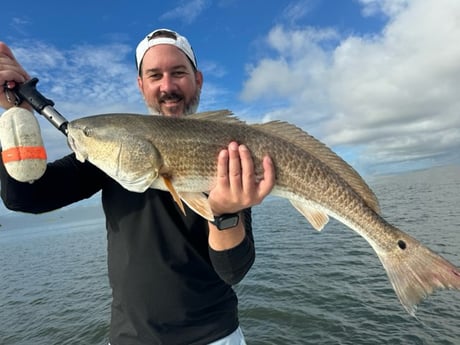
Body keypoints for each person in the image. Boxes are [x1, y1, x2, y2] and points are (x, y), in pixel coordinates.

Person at [0, 29, 275, 344]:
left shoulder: (228, 154)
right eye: (155, 75)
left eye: (178, 73)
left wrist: (225, 213)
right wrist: (16, 114)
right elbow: (24, 196)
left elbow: (232, 271)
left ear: (198, 80)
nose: (167, 86)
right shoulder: (108, 153)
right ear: (141, 85)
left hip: (217, 336)